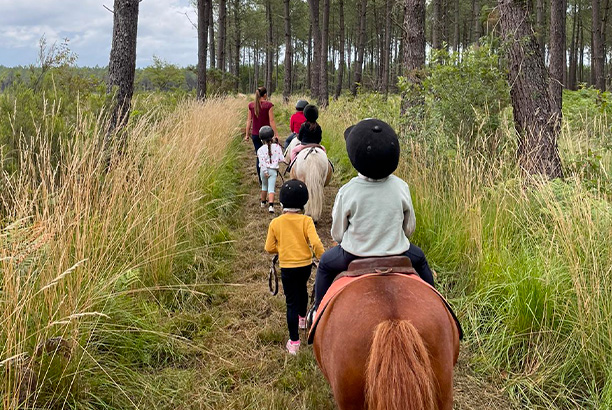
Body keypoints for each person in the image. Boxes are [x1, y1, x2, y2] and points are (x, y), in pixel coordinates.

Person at [313, 118, 435, 311]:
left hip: (354, 253)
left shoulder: (348, 190)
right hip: (398, 251)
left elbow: (337, 234)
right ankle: (436, 306)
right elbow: (409, 228)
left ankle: (317, 310)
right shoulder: (401, 186)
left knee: (326, 265)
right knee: (420, 258)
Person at [265, 179, 325, 355]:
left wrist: (282, 248)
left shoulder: (275, 223)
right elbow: (316, 243)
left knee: (290, 301)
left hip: (287, 267)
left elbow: (269, 248)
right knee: (303, 290)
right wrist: (321, 257)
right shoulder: (306, 221)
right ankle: (302, 319)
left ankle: (294, 342)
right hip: (305, 265)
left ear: (281, 202)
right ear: (304, 202)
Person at [244, 86, 279, 182]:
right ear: (265, 95)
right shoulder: (268, 105)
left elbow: (249, 121)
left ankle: (261, 179)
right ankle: (270, 177)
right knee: (269, 155)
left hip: (255, 135)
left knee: (259, 156)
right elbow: (271, 121)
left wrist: (247, 135)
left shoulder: (251, 105)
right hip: (267, 134)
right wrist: (276, 134)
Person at [257, 126, 285, 213]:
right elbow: (281, 159)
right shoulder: (277, 147)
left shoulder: (260, 150)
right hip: (273, 171)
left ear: (262, 139)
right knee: (271, 188)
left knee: (264, 186)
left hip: (263, 171)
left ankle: (263, 202)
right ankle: (271, 206)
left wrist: (265, 171)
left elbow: (262, 162)